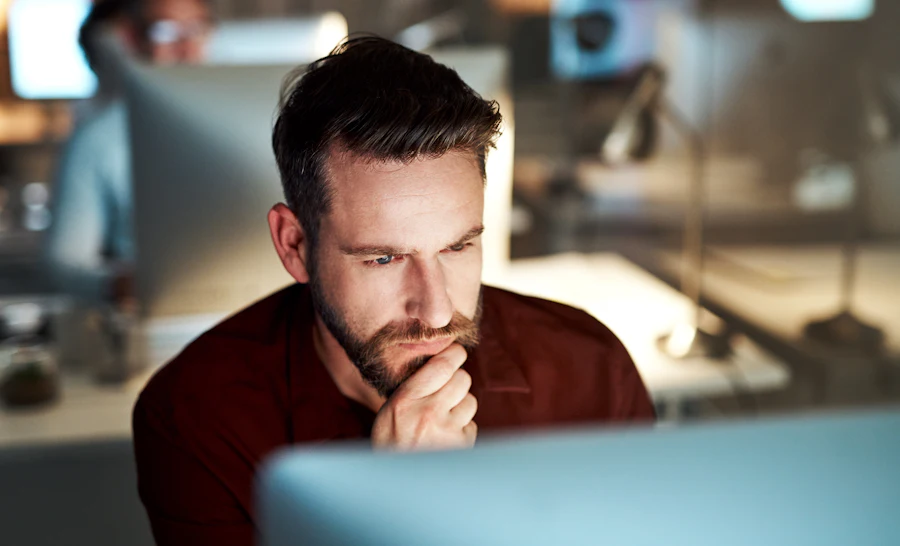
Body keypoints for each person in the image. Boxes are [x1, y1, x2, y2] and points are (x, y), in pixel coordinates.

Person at [133, 36, 655, 545]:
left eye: (456, 248)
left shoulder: (590, 372)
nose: (435, 309)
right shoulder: (196, 418)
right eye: (384, 258)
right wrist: (398, 505)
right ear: (294, 245)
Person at [44, 0, 212, 305]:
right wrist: (119, 283)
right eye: (166, 32)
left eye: (196, 30)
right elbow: (65, 262)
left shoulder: (241, 120)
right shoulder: (98, 138)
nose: (187, 49)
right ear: (132, 39)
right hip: (154, 319)